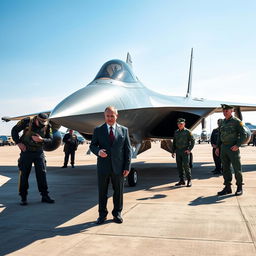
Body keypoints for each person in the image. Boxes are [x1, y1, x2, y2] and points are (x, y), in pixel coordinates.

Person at [90, 106, 132, 224]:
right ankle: (102, 215)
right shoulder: (98, 130)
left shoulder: (124, 130)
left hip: (119, 168)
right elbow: (92, 145)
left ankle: (117, 213)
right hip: (103, 167)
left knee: (118, 192)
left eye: (112, 116)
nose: (109, 118)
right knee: (102, 192)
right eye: (107, 116)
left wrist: (127, 167)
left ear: (116, 116)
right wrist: (98, 152)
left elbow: (127, 150)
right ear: (104, 116)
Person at [11, 113, 55, 205]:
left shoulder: (48, 125)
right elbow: (14, 130)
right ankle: (23, 197)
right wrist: (18, 143)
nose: (43, 125)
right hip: (26, 152)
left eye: (44, 123)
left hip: (39, 153)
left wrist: (42, 140)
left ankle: (45, 196)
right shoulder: (27, 121)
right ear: (37, 119)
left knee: (42, 174)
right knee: (24, 174)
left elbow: (50, 139)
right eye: (41, 122)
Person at [215, 104, 247, 196]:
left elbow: (243, 134)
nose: (224, 113)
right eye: (223, 111)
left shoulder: (237, 121)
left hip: (233, 148)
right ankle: (227, 187)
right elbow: (219, 136)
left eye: (226, 111)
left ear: (231, 111)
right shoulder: (222, 122)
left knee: (237, 168)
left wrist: (237, 145)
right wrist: (217, 147)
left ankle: (239, 187)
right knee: (225, 169)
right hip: (224, 148)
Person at [172, 118, 195, 187]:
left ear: (184, 124)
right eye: (179, 124)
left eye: (181, 124)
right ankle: (182, 180)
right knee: (179, 166)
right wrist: (173, 151)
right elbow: (174, 142)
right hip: (178, 151)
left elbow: (193, 141)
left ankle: (189, 180)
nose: (180, 125)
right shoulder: (176, 132)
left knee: (186, 166)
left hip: (185, 151)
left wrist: (189, 150)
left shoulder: (188, 132)